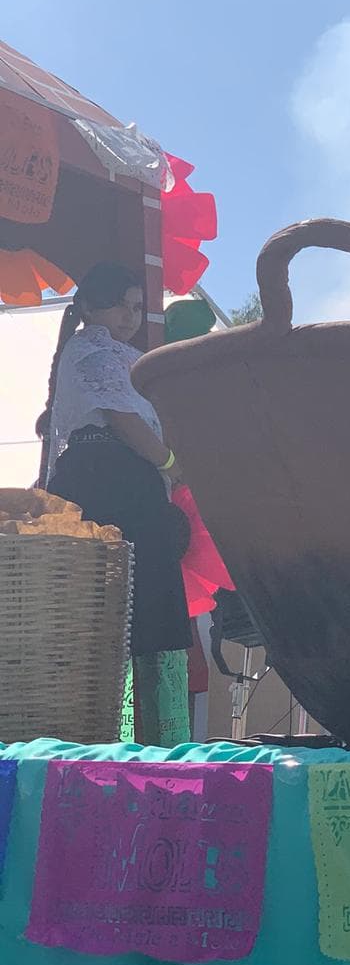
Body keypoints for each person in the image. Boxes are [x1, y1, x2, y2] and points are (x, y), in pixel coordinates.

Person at [36, 263, 192, 747]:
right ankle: (129, 737)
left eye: (135, 305)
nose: (129, 315)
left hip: (124, 483)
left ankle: (149, 736)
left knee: (138, 606)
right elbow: (124, 420)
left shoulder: (121, 354)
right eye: (118, 303)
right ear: (86, 306)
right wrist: (169, 461)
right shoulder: (91, 350)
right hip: (109, 481)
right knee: (129, 606)